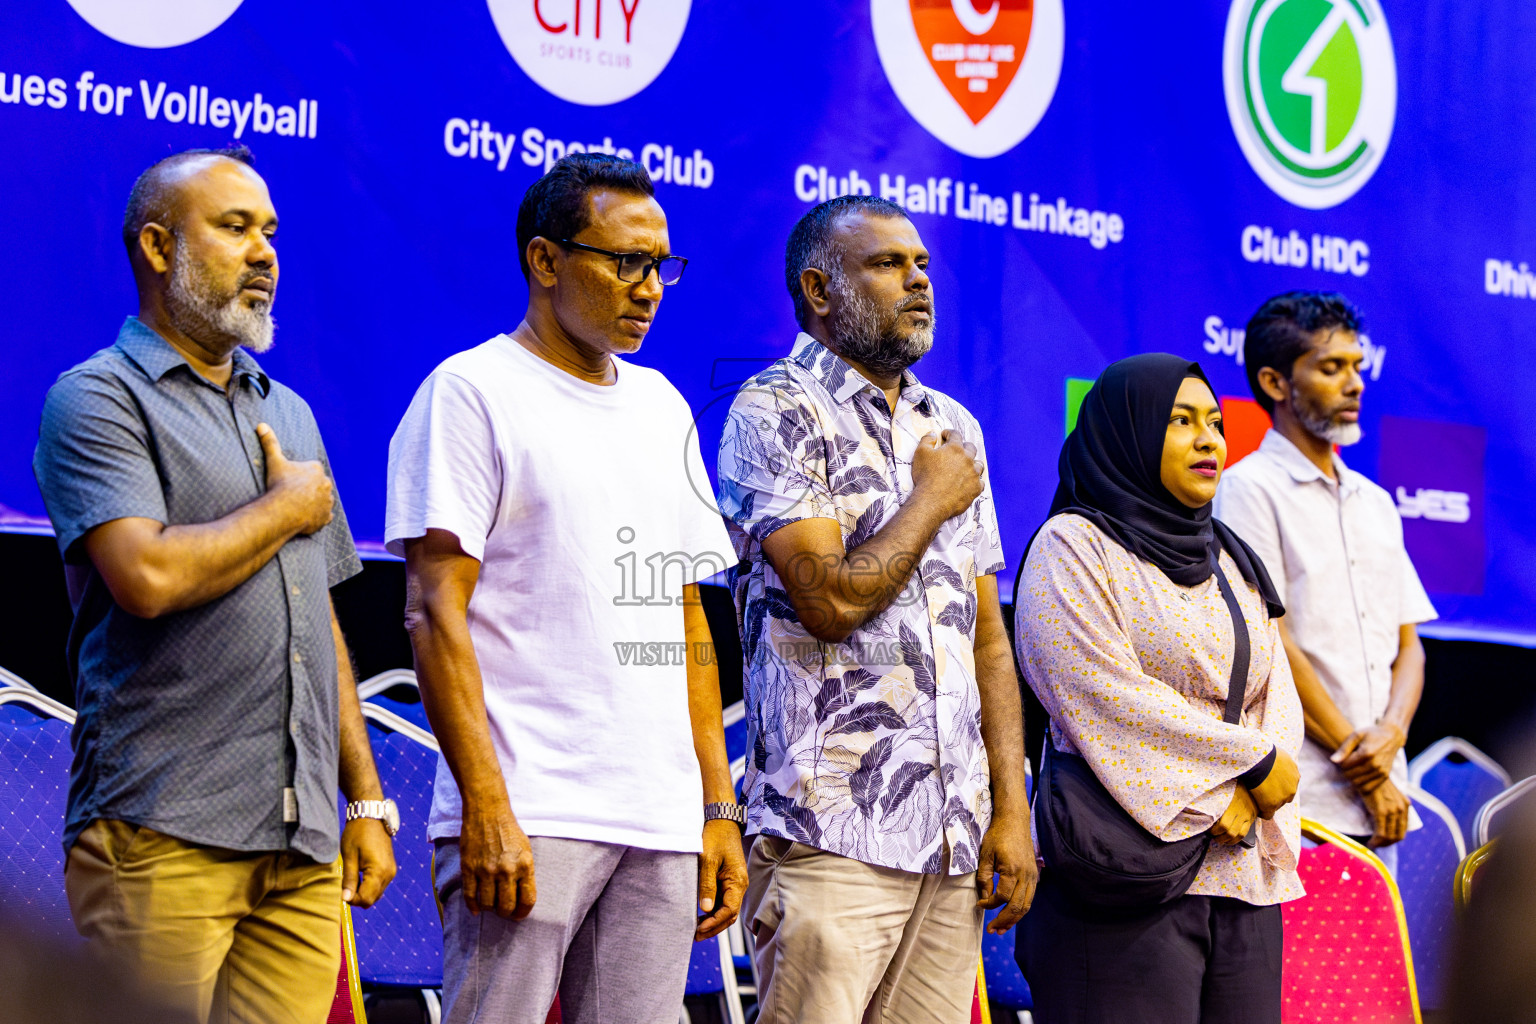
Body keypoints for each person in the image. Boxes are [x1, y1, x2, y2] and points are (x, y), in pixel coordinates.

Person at [31, 146, 397, 1024]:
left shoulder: (290, 410)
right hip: (163, 829)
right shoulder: (95, 398)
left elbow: (320, 623)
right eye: (234, 228)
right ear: (158, 248)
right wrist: (285, 508)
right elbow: (145, 577)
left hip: (301, 845)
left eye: (270, 231)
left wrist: (366, 797)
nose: (265, 251)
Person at [385, 152, 746, 1024]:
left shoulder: (662, 406)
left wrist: (715, 805)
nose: (650, 286)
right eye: (625, 261)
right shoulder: (470, 393)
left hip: (659, 821)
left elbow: (682, 615)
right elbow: (435, 613)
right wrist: (486, 805)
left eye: (662, 264)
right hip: (530, 809)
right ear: (545, 262)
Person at [716, 194, 1036, 1024]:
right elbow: (827, 602)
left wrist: (1012, 808)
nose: (918, 280)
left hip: (952, 842)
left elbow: (989, 643)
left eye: (922, 264)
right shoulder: (772, 409)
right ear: (819, 290)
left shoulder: (952, 425)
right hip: (830, 834)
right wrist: (931, 498)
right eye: (888, 264)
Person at [1012, 354, 1303, 1024]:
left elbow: (1276, 696)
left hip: (1241, 875)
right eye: (1180, 421)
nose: (1209, 439)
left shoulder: (1231, 559)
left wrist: (1253, 792)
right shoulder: (1074, 546)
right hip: (1122, 878)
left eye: (1215, 423)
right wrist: (1240, 775)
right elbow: (1100, 693)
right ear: (1128, 431)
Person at [1214, 291, 1436, 866]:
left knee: (1378, 960)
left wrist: (1391, 736)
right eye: (1332, 367)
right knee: (1303, 961)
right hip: (1300, 798)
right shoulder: (1246, 490)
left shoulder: (1378, 503)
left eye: (1357, 367)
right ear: (1275, 382)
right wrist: (1363, 768)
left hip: (1385, 794)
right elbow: (1270, 643)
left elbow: (1409, 644)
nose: (1355, 383)